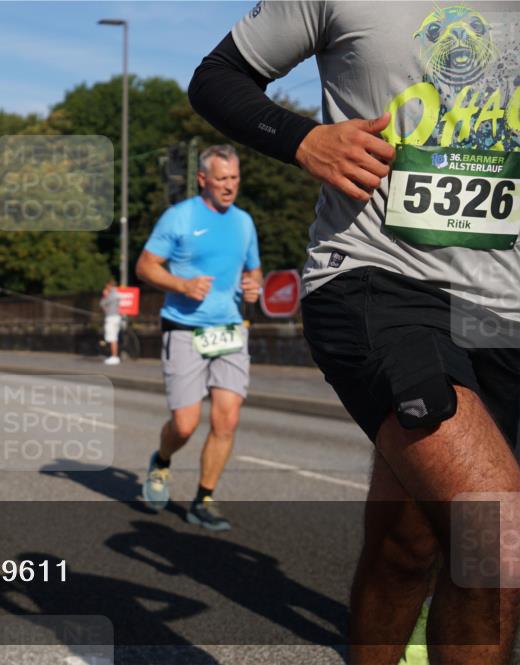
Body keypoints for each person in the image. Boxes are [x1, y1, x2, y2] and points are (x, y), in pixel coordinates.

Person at [188, 2, 519, 662]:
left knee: (410, 544)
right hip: (379, 279)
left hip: (503, 307)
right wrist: (303, 139)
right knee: (495, 530)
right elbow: (217, 76)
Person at [136, 144, 262, 531]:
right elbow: (145, 266)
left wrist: (253, 287)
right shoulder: (179, 217)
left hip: (228, 331)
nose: (229, 186)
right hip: (184, 329)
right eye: (222, 179)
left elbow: (254, 272)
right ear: (202, 179)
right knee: (186, 424)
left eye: (235, 178)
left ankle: (203, 498)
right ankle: (161, 461)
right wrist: (181, 284)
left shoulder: (244, 222)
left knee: (227, 419)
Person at [100, 279, 122, 365]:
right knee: (114, 337)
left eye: (106, 286)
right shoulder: (117, 293)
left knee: (112, 337)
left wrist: (105, 295)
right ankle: (114, 356)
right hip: (116, 317)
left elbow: (102, 303)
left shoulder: (111, 294)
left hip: (111, 318)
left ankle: (114, 357)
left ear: (109, 286)